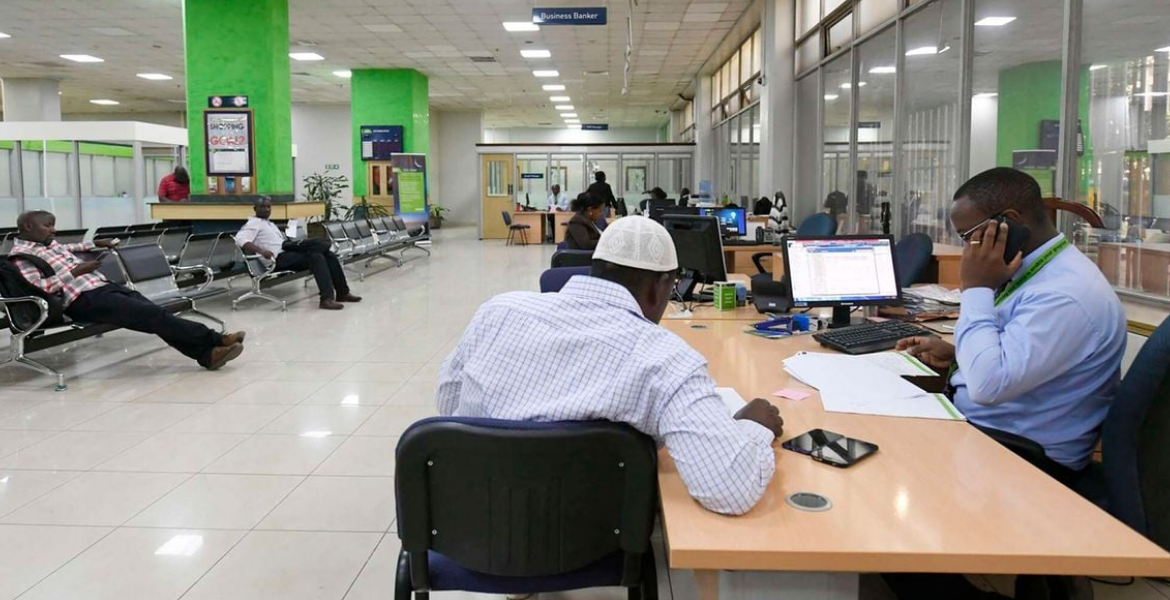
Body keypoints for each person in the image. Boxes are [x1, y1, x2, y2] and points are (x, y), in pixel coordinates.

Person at [884, 167, 1126, 600]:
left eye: (968, 234)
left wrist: (975, 288)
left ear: (1008, 221)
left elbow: (990, 384)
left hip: (1024, 454)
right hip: (997, 428)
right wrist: (959, 355)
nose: (965, 248)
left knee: (883, 513)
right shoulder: (1037, 272)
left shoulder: (1064, 294)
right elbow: (1015, 353)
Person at [436, 216, 784, 516]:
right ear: (660, 287)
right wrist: (753, 429)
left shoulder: (498, 311)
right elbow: (730, 490)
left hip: (474, 517)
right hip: (590, 541)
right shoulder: (667, 359)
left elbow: (450, 405)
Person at [10, 211, 245, 370]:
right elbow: (40, 288)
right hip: (83, 299)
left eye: (53, 225)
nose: (53, 230)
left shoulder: (49, 245)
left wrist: (96, 244)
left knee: (155, 316)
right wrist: (76, 272)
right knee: (154, 316)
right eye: (47, 225)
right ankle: (214, 341)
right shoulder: (22, 258)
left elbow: (74, 246)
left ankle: (207, 354)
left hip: (103, 288)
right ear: (28, 226)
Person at [235, 196, 362, 310]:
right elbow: (241, 239)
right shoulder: (252, 223)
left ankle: (342, 293)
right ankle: (326, 299)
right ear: (255, 208)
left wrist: (280, 227)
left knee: (329, 255)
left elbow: (267, 236)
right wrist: (262, 251)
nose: (267, 209)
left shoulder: (267, 223)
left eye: (269, 206)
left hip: (286, 253)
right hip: (277, 259)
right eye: (263, 207)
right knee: (316, 256)